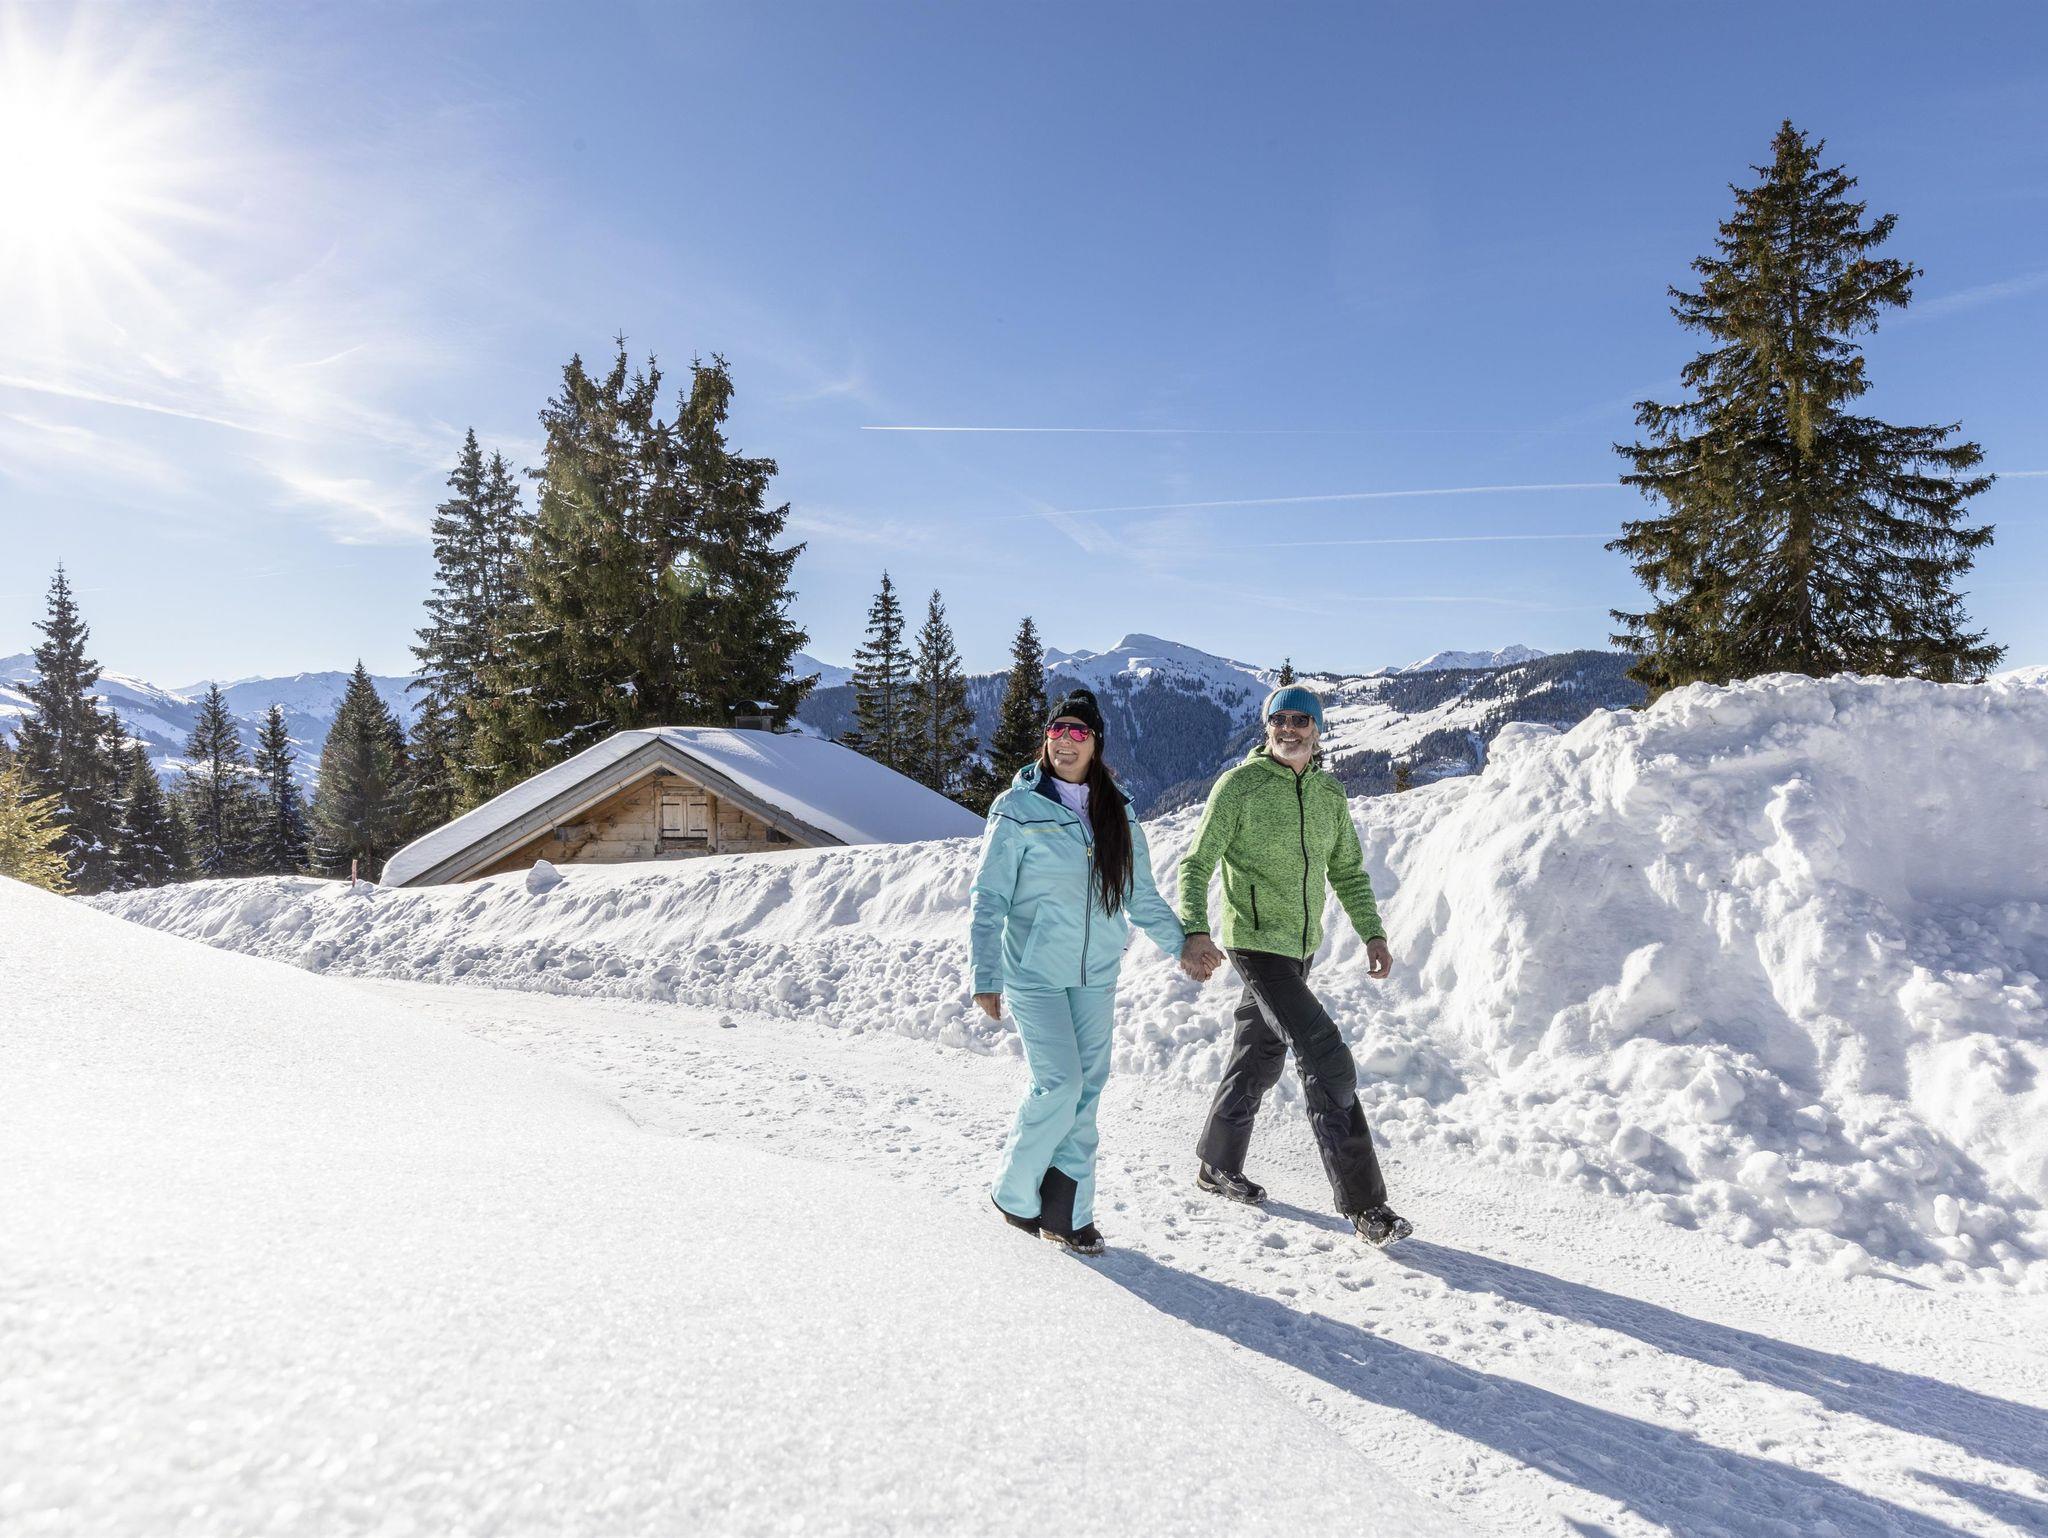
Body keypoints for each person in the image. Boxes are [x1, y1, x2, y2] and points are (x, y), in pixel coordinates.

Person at [970, 687, 1209, 1255]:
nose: (1066, 741)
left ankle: (1068, 1213)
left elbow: (1139, 896)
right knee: (1061, 1083)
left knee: (1087, 1093)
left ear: (1095, 743)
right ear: (1045, 739)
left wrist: (1184, 944)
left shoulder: (1117, 812)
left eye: (1079, 732)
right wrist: (986, 974)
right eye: (1057, 730)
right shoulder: (1017, 808)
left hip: (1096, 974)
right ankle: (1013, 1190)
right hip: (1034, 972)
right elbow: (989, 896)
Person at [1177, 685, 1414, 1247]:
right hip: (1255, 944)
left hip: (1302, 948)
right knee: (1326, 1060)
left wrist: (1372, 932)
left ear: (1317, 729)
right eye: (1279, 719)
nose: (1289, 728)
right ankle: (1366, 1205)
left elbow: (1347, 870)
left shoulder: (1329, 793)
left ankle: (1216, 1163)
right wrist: (1194, 929)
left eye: (1300, 720)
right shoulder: (1240, 786)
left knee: (1258, 1056)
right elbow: (1197, 862)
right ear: (1267, 728)